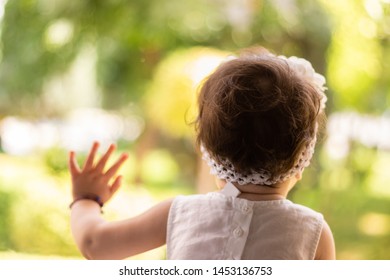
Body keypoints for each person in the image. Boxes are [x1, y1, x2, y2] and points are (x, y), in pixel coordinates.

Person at [69, 47, 336, 260]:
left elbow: (95, 243)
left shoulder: (179, 213)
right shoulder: (313, 234)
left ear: (209, 151)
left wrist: (86, 198)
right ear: (302, 159)